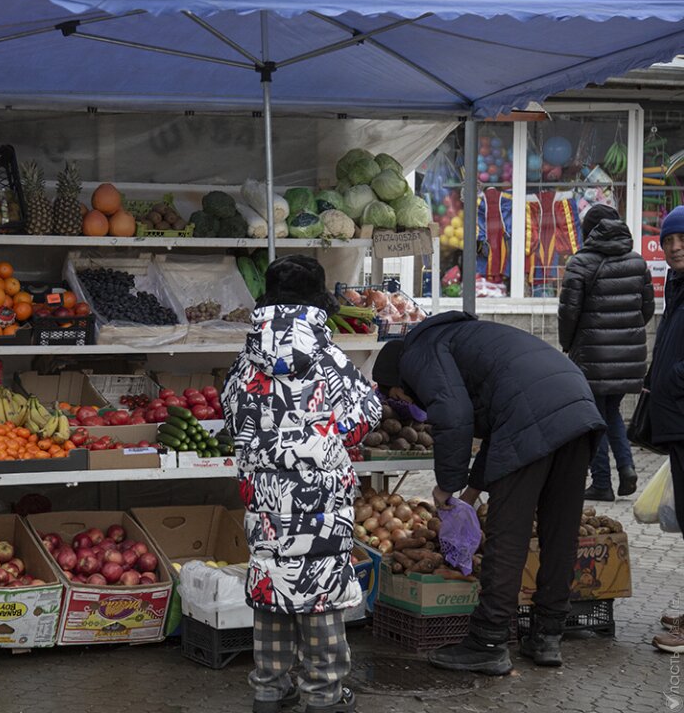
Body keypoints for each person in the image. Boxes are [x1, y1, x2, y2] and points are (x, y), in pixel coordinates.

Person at [371, 313, 604, 674]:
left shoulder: (417, 352)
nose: (402, 403)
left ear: (396, 380)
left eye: (395, 396)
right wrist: (471, 491)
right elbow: (495, 428)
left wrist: (446, 486)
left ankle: (488, 641)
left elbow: (454, 414)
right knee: (560, 530)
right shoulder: (462, 338)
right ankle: (547, 634)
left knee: (506, 534)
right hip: (577, 403)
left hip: (533, 411)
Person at [221, 255, 382, 713]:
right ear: (318, 303)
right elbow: (363, 417)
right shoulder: (330, 359)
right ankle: (324, 696)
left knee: (272, 588)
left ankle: (269, 692)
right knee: (320, 595)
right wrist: (321, 439)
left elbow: (233, 418)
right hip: (321, 505)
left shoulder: (246, 362)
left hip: (265, 505)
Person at [558, 204, 655, 501]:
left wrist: (567, 344)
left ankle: (602, 483)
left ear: (589, 231)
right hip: (628, 357)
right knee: (611, 412)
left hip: (591, 356)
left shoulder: (580, 263)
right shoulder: (638, 263)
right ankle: (626, 468)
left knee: (594, 418)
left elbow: (568, 312)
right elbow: (647, 309)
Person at [647, 205, 684, 654]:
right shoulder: (677, 287)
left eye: (682, 240)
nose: (674, 247)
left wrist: (673, 378)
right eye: (667, 241)